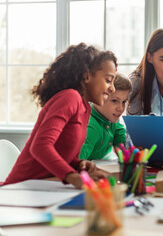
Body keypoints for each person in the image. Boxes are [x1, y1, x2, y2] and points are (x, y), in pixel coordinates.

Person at [3, 43, 116, 189]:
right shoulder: (70, 97)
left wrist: (78, 166)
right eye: (108, 80)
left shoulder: (85, 108)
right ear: (87, 75)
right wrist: (73, 177)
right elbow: (40, 146)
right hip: (19, 189)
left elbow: (64, 155)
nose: (112, 88)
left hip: (44, 187)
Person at [79, 73, 131, 161]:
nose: (121, 108)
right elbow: (75, 162)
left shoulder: (111, 119)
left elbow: (121, 140)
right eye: (114, 101)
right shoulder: (91, 127)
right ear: (98, 96)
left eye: (124, 102)